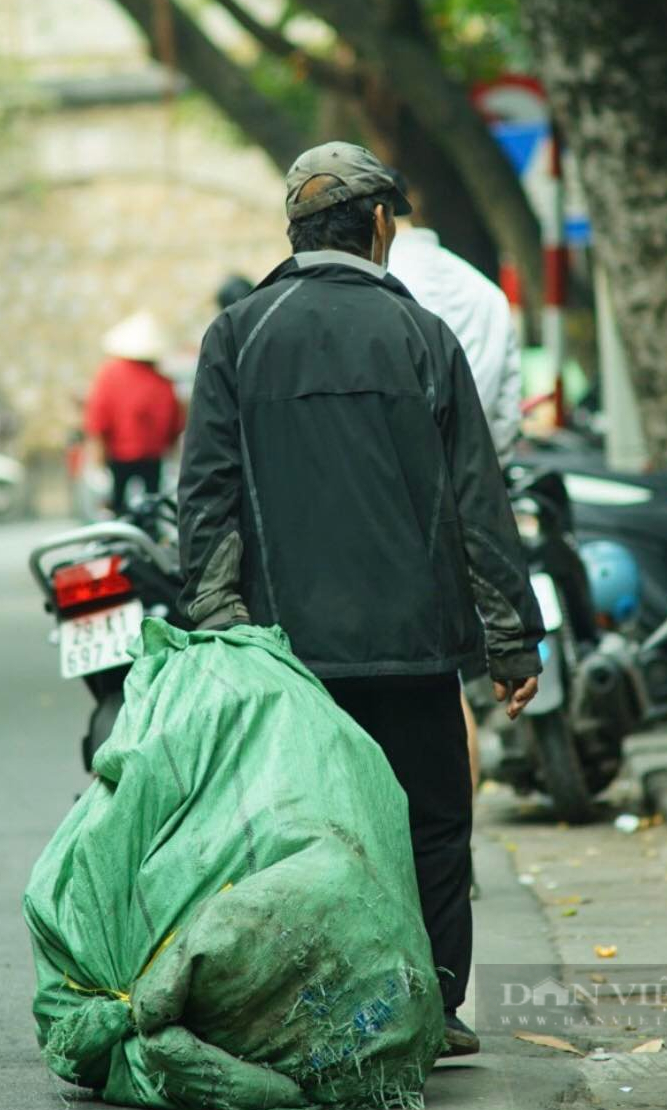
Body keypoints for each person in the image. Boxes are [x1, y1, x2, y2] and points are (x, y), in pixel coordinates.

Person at [177, 141, 545, 1057]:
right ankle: (436, 1011)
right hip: (415, 647)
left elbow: (207, 502)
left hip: (287, 652)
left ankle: (302, 1012)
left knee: (299, 833)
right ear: (380, 224)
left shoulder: (238, 334)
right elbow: (478, 505)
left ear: (296, 231)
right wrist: (512, 644)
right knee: (432, 827)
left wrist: (222, 630)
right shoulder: (423, 335)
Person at [386, 175, 526, 847]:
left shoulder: (377, 298)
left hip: (386, 513)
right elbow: (504, 426)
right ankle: (453, 845)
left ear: (376, 219)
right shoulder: (486, 295)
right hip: (467, 511)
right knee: (448, 692)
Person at [386, 174, 524, 467]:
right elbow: (508, 414)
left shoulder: (373, 290)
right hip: (476, 480)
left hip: (396, 489)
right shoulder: (485, 291)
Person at [84, 311, 184, 512]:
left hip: (118, 457)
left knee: (117, 509)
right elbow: (175, 425)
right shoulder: (163, 382)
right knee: (152, 508)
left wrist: (97, 462)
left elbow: (98, 421)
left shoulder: (109, 374)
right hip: (153, 459)